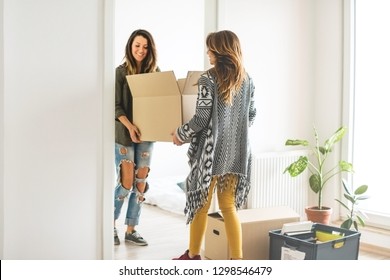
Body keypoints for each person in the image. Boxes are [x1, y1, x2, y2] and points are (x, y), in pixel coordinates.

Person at [171, 30, 257, 260]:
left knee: (201, 203)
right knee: (229, 207)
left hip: (210, 156)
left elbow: (201, 118)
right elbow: (251, 115)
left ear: (220, 51)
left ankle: (192, 256)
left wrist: (180, 134)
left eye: (210, 48)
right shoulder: (247, 79)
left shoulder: (208, 79)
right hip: (237, 155)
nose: (207, 52)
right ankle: (237, 261)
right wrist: (233, 134)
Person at [114, 29, 159, 246]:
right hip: (124, 134)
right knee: (127, 181)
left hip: (147, 135)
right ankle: (109, 225)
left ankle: (131, 229)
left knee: (141, 182)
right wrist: (131, 126)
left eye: (145, 46)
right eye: (137, 46)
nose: (141, 50)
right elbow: (115, 106)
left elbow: (161, 103)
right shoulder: (120, 73)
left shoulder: (155, 73)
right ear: (130, 47)